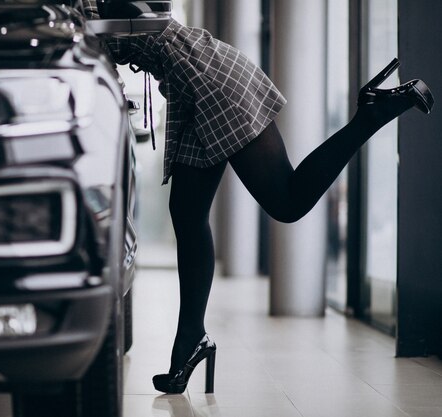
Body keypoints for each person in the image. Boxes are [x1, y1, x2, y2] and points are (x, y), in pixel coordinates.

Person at [82, 0, 435, 394]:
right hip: (190, 86)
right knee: (186, 213)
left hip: (210, 78)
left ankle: (370, 115)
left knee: (287, 202)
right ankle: (190, 342)